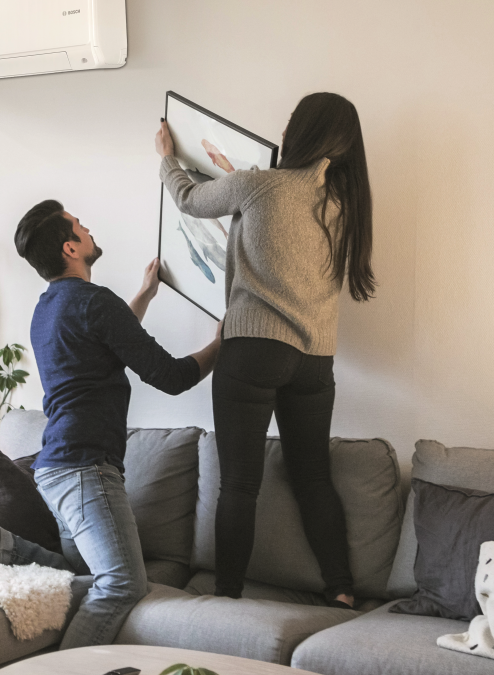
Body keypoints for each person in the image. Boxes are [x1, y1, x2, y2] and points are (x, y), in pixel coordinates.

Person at [0, 200, 221, 649]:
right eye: (80, 225)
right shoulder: (95, 303)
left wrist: (146, 294)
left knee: (81, 579)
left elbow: (110, 339)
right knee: (121, 585)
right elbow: (172, 377)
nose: (89, 228)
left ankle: (4, 546)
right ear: (71, 247)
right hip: (86, 468)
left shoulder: (48, 309)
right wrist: (221, 345)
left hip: (55, 468)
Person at [154, 92, 376, 607]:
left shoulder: (260, 185)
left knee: (239, 484)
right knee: (314, 477)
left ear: (300, 132)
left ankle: (227, 596)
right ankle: (341, 590)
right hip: (316, 360)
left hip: (254, 349)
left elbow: (188, 198)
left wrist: (167, 155)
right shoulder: (345, 209)